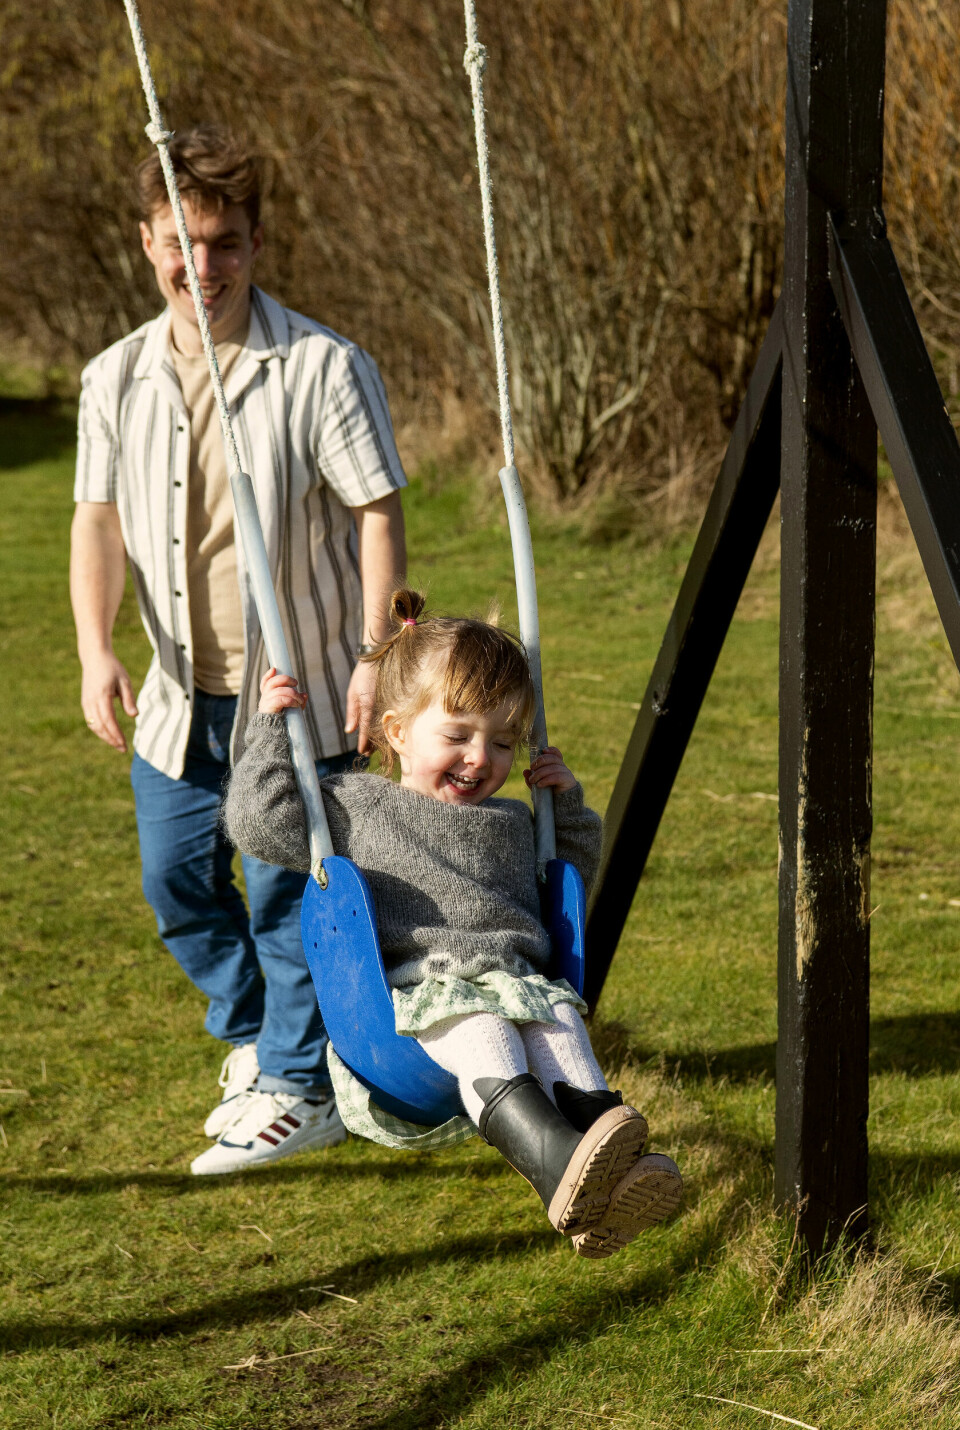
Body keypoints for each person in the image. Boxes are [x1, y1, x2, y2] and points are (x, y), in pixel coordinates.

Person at [69, 125, 407, 1175]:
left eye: (223, 244)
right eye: (181, 243)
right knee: (177, 883)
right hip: (178, 691)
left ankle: (300, 1087)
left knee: (281, 891)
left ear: (258, 243)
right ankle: (260, 1040)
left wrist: (370, 654)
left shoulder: (322, 366)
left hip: (293, 689)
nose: (201, 267)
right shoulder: (113, 376)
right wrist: (94, 650)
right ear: (146, 242)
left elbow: (378, 512)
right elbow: (95, 522)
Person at [224, 590, 682, 1257]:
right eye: (459, 734)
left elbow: (569, 878)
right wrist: (270, 734)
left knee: (561, 1028)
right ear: (399, 731)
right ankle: (561, 1172)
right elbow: (259, 824)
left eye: (502, 742)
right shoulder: (356, 808)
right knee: (485, 1027)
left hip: (519, 979)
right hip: (417, 998)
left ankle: (607, 1179)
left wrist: (564, 802)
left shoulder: (510, 820)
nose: (481, 758)